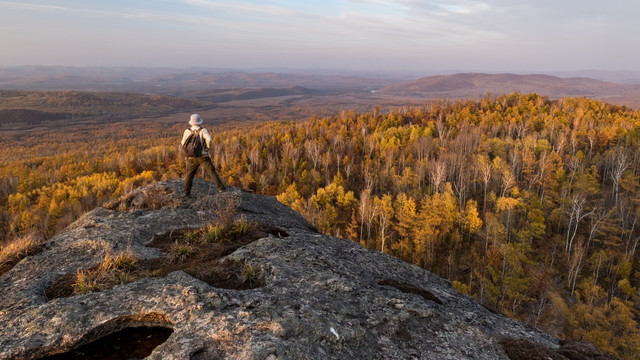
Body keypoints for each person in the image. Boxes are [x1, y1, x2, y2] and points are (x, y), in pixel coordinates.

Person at [181, 114, 226, 197]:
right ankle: (221, 188)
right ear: (199, 121)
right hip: (203, 156)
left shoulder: (187, 131)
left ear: (191, 122)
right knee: (211, 171)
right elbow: (209, 139)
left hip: (191, 156)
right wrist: (208, 148)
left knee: (189, 174)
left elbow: (183, 143)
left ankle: (186, 193)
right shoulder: (203, 130)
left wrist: (188, 151)